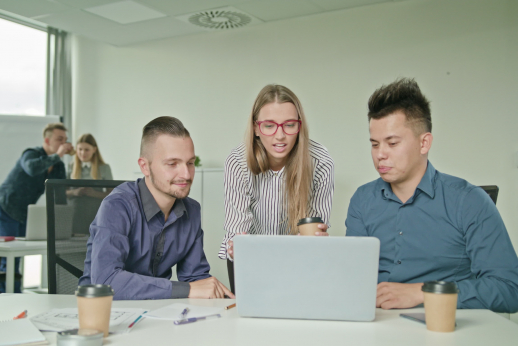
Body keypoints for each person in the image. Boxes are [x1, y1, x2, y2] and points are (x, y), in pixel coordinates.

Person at [345, 78, 518, 313]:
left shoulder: (469, 201)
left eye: (392, 143)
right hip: (375, 325)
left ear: (424, 143)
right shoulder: (362, 201)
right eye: (374, 144)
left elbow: (508, 289)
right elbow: (351, 280)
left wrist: (424, 292)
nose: (380, 155)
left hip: (443, 326)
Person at [79, 116, 234, 300]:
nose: (186, 174)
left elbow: (195, 279)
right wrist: (187, 289)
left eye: (190, 163)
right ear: (145, 166)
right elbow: (106, 282)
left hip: (158, 314)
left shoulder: (191, 211)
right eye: (172, 164)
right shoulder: (117, 206)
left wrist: (215, 292)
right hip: (105, 315)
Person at [219, 84, 334, 292]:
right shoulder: (237, 161)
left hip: (300, 260)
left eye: (289, 125)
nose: (280, 136)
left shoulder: (320, 162)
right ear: (256, 128)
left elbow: (314, 234)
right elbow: (237, 234)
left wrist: (316, 239)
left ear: (299, 126)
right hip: (249, 261)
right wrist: (238, 246)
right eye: (269, 125)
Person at [0, 123, 73, 292]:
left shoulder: (59, 166)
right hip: (5, 208)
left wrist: (65, 222)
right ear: (47, 140)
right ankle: (7, 298)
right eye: (59, 139)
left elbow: (59, 194)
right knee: (7, 257)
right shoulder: (31, 154)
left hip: (24, 213)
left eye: (65, 140)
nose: (64, 143)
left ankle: (16, 294)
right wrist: (59, 154)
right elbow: (32, 169)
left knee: (17, 258)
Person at [67, 134, 113, 235]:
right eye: (80, 149)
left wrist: (93, 193)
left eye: (87, 149)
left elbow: (112, 194)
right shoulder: (70, 166)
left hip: (96, 214)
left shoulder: (104, 168)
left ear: (94, 149)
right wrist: (75, 192)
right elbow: (62, 192)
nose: (83, 153)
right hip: (75, 215)